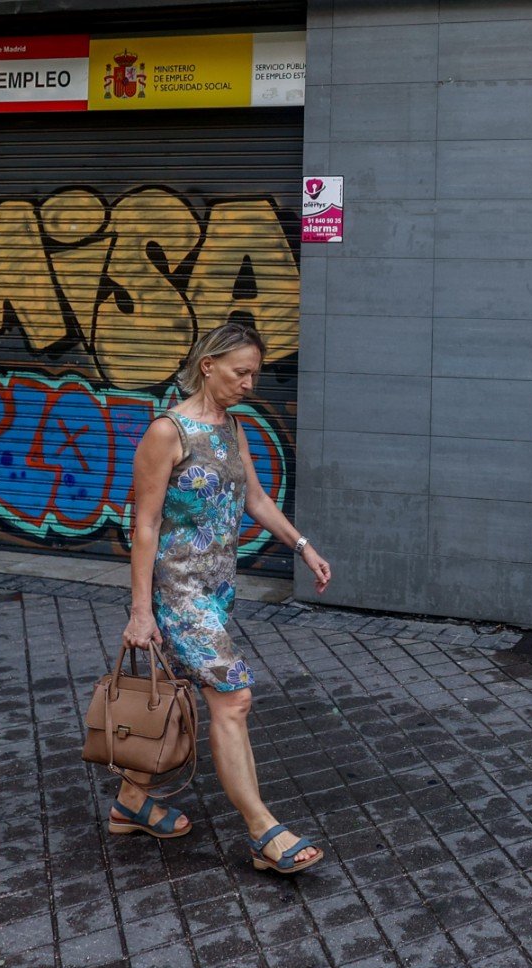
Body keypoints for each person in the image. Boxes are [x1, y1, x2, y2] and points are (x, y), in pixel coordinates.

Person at [116, 321, 335, 875]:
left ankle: (131, 800)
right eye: (241, 372)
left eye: (255, 374)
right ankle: (263, 831)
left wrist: (303, 547)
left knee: (180, 695)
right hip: (176, 593)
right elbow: (144, 526)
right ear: (208, 365)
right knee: (232, 697)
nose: (249, 384)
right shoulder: (167, 432)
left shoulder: (233, 428)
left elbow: (257, 500)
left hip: (216, 592)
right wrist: (141, 612)